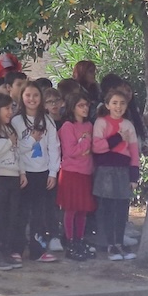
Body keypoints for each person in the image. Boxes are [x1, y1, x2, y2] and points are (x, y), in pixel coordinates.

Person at [12, 81, 61, 263]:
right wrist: (31, 140)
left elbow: (54, 147)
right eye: (28, 95)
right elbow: (15, 148)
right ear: (22, 97)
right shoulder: (16, 121)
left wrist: (53, 172)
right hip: (24, 173)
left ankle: (38, 250)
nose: (32, 99)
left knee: (39, 213)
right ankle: (16, 248)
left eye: (35, 95)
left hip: (43, 172)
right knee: (21, 212)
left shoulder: (47, 120)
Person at [92, 88, 140, 261]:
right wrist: (118, 138)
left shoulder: (128, 125)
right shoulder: (101, 122)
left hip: (123, 172)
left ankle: (119, 242)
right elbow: (97, 147)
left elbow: (134, 152)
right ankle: (109, 244)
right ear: (107, 105)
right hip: (105, 171)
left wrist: (134, 176)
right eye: (114, 103)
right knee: (107, 209)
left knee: (121, 209)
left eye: (122, 103)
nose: (118, 107)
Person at [0, 92, 26, 270]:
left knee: (12, 216)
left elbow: (18, 152)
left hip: (14, 176)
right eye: (6, 108)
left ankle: (6, 250)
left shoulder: (11, 129)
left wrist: (22, 172)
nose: (10, 112)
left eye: (12, 108)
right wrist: (8, 142)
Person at [57, 91, 96, 261]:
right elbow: (71, 151)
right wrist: (85, 142)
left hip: (86, 171)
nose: (85, 108)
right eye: (81, 105)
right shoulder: (67, 126)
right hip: (71, 172)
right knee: (71, 209)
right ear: (73, 107)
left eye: (86, 105)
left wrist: (85, 143)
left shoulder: (89, 126)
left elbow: (91, 148)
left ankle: (79, 239)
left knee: (83, 210)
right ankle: (70, 241)